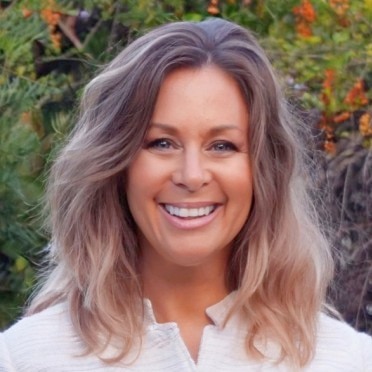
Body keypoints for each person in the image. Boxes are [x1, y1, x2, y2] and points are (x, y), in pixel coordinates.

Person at [0, 18, 371, 371]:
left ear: (264, 170)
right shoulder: (23, 359)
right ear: (117, 165)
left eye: (222, 145)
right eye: (162, 143)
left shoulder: (346, 361)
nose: (191, 175)